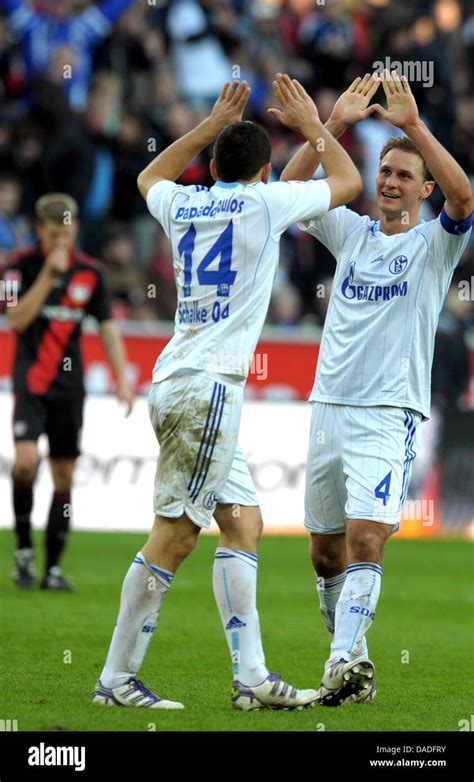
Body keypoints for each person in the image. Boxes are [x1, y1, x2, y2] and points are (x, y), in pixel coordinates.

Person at [92, 77, 363, 711]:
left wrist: (209, 126)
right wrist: (321, 124)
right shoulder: (264, 207)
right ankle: (114, 679)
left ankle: (251, 679)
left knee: (244, 524)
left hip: (176, 377)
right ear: (265, 171)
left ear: (213, 166)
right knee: (177, 535)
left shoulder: (184, 203)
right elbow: (347, 184)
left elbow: (147, 177)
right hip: (210, 389)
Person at [281, 70, 473, 704]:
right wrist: (331, 125)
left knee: (368, 538)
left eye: (402, 176)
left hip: (390, 412)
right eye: (384, 171)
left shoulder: (433, 246)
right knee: (326, 556)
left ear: (421, 190)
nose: (389, 182)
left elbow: (465, 198)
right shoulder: (351, 233)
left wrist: (413, 126)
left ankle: (338, 666)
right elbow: (286, 191)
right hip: (328, 406)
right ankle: (354, 663)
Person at [5, 192, 134, 591]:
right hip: (31, 382)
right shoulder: (16, 268)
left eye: (68, 232)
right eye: (55, 233)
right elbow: (15, 318)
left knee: (64, 475)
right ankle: (24, 551)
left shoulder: (91, 273)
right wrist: (48, 275)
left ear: (75, 228)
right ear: (41, 230)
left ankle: (53, 568)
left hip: (69, 388)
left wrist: (122, 379)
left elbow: (107, 328)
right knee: (26, 462)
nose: (63, 240)